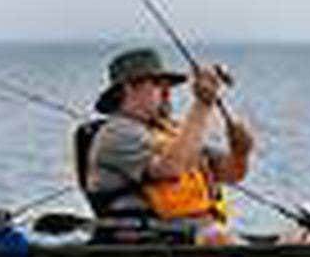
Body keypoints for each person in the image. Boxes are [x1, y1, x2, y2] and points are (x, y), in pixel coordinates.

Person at [82, 47, 259, 245]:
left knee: (298, 237)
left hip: (197, 235)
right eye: (157, 84)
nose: (167, 93)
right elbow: (170, 169)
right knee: (220, 239)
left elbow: (231, 173)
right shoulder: (117, 133)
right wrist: (202, 105)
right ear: (128, 88)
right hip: (149, 243)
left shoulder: (172, 132)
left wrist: (241, 151)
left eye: (169, 86)